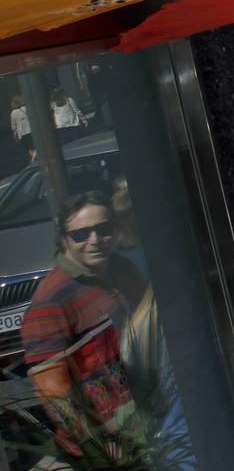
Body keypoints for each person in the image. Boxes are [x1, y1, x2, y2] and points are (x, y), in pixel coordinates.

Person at [23, 192, 150, 459]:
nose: (95, 241)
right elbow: (53, 391)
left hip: (145, 425)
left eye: (103, 229)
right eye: (81, 235)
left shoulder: (122, 268)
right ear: (63, 239)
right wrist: (95, 445)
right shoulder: (51, 299)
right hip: (107, 447)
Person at [11, 94, 33, 162]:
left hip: (22, 132)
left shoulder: (13, 113)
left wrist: (15, 134)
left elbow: (14, 126)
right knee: (34, 145)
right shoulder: (26, 108)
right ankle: (34, 159)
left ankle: (33, 159)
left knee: (29, 147)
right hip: (31, 129)